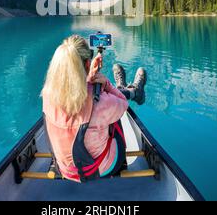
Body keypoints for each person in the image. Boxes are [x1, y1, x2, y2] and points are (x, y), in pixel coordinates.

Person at [42, 35, 147, 183]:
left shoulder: (47, 94)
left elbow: (73, 98)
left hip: (64, 169)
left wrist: (88, 75)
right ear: (86, 64)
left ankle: (126, 88)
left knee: (106, 108)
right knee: (115, 115)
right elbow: (123, 104)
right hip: (98, 169)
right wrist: (106, 84)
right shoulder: (99, 102)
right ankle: (132, 91)